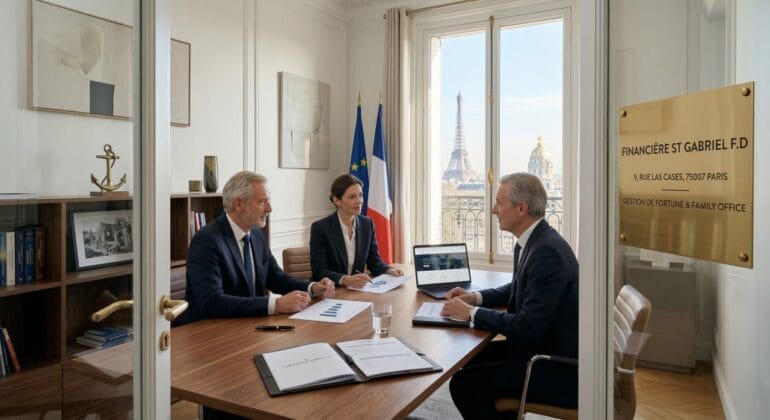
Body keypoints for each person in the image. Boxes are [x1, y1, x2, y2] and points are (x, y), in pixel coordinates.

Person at [441, 172, 578, 418]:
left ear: (522, 208)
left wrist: (471, 313)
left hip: (555, 366)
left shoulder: (547, 253)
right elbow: (516, 287)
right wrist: (475, 298)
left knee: (464, 385)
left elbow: (528, 326)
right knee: (468, 359)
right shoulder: (533, 241)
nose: (494, 210)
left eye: (499, 202)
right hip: (539, 348)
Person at [181, 171, 335, 325]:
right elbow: (212, 301)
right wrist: (275, 304)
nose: (269, 208)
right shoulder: (206, 241)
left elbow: (276, 278)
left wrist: (313, 287)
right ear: (238, 204)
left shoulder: (256, 234)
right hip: (208, 329)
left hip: (247, 324)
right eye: (262, 202)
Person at [310, 174, 402, 288]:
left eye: (360, 195)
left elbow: (374, 262)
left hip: (356, 290)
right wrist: (345, 280)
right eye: (352, 197)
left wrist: (389, 270)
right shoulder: (320, 228)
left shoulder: (367, 224)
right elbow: (319, 271)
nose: (359, 201)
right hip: (331, 289)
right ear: (337, 200)